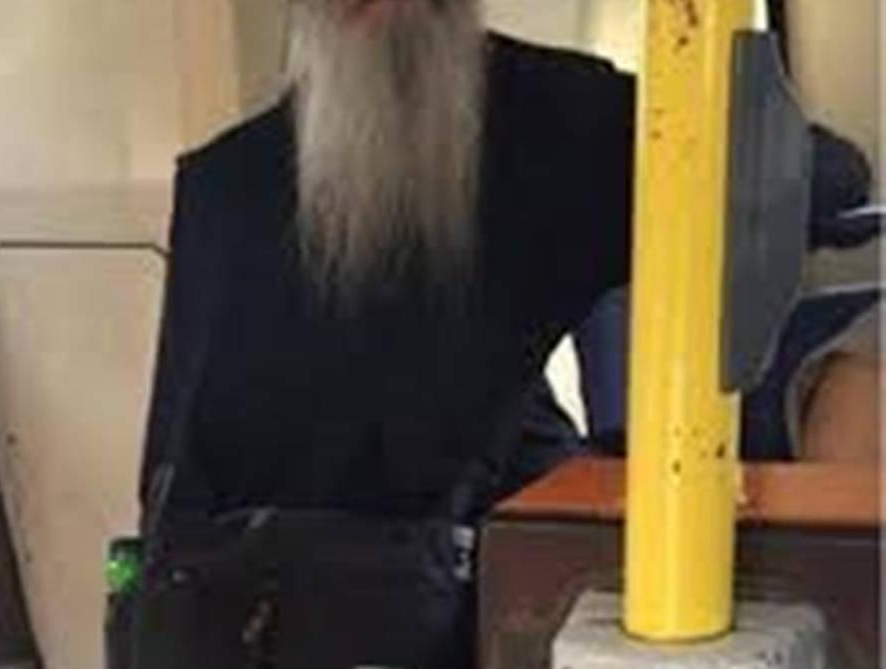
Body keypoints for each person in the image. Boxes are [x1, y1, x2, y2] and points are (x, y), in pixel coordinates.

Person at [128, 1, 868, 667]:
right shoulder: (547, 125)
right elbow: (823, 179)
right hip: (406, 606)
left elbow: (169, 483)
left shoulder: (550, 127)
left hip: (247, 614)